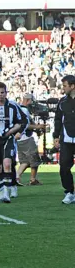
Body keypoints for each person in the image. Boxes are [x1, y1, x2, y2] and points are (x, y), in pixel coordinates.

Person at [54, 75, 75, 204]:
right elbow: (57, 119)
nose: (63, 88)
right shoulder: (62, 102)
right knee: (64, 167)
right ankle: (69, 192)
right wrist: (56, 136)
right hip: (66, 140)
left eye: (65, 85)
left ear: (72, 86)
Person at [16, 94, 45, 186]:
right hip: (26, 138)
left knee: (25, 161)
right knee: (34, 159)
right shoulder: (24, 110)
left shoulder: (18, 109)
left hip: (19, 139)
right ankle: (33, 179)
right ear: (28, 100)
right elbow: (25, 125)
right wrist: (38, 126)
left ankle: (16, 177)